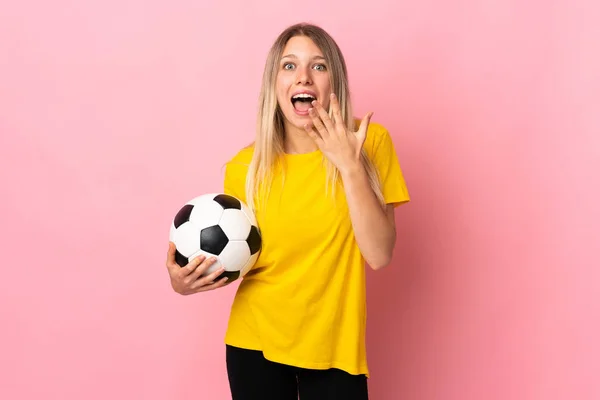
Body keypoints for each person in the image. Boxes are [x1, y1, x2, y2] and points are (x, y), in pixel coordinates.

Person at [165, 22, 410, 399]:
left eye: (319, 66)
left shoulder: (368, 142)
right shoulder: (245, 167)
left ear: (334, 81)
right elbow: (235, 258)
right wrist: (184, 282)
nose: (304, 77)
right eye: (289, 66)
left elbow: (379, 254)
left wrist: (348, 166)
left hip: (335, 352)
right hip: (255, 345)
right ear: (274, 83)